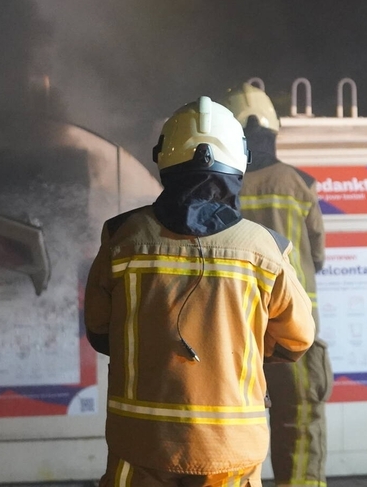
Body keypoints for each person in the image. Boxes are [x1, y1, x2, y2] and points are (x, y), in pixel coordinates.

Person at [84, 96, 316, 487]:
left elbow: (99, 330)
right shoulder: (265, 249)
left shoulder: (122, 237)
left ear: (162, 159)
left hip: (140, 443)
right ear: (239, 163)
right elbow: (297, 340)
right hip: (231, 451)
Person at [222, 82, 331, 487]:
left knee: (231, 426)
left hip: (234, 332)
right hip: (293, 331)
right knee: (299, 425)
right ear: (272, 130)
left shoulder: (219, 187)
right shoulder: (299, 183)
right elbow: (317, 256)